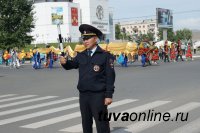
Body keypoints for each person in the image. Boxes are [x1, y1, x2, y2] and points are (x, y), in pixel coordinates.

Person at [60, 24, 115, 133]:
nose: (85, 41)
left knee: (101, 123)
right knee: (86, 123)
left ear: (95, 39)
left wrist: (108, 95)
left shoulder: (105, 55)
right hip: (84, 95)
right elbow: (71, 65)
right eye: (83, 38)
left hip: (98, 95)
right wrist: (65, 63)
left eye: (88, 38)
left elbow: (110, 77)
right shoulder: (81, 55)